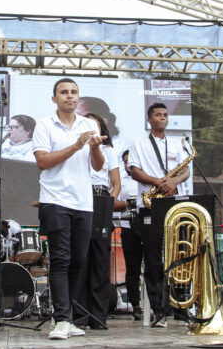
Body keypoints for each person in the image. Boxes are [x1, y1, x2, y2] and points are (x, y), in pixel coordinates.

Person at [33, 78, 105, 340]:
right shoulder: (44, 124)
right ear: (55, 98)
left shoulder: (90, 124)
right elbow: (43, 161)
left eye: (74, 92)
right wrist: (76, 145)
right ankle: (60, 318)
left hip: (83, 202)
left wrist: (95, 148)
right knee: (61, 260)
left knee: (78, 261)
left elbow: (97, 166)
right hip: (54, 200)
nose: (69, 96)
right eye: (63, 92)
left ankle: (68, 317)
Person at [127, 102, 190, 327]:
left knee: (181, 254)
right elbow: (134, 170)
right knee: (153, 259)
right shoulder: (139, 143)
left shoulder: (176, 144)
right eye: (157, 115)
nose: (162, 118)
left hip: (176, 202)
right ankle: (158, 310)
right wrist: (158, 183)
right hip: (151, 203)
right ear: (149, 119)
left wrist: (174, 181)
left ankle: (182, 306)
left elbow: (186, 170)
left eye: (165, 115)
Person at [73, 112, 122, 329]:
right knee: (80, 259)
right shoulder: (76, 149)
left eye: (96, 125)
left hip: (101, 199)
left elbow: (116, 183)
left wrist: (108, 207)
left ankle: (98, 316)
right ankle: (79, 316)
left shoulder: (109, 151)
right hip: (80, 198)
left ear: (102, 129)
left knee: (100, 261)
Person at [117, 149, 142, 320]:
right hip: (128, 227)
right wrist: (127, 203)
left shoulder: (145, 176)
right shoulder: (121, 180)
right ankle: (136, 305)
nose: (128, 164)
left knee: (154, 266)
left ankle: (157, 303)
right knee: (132, 268)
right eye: (125, 161)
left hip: (147, 226)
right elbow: (114, 202)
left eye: (130, 161)